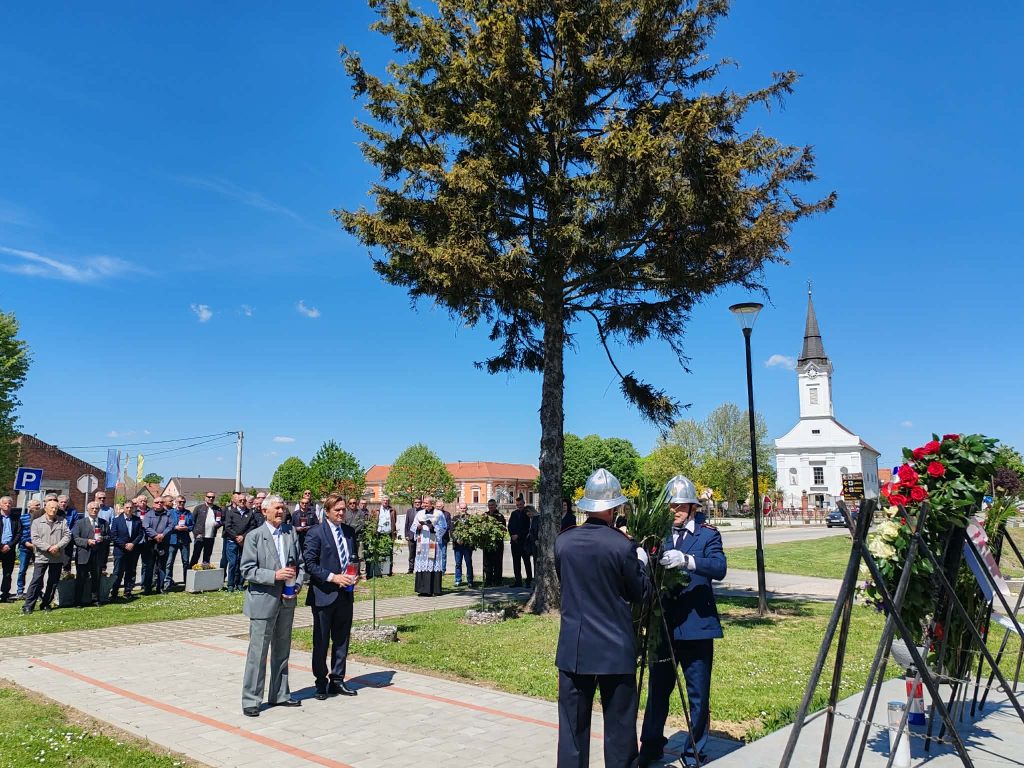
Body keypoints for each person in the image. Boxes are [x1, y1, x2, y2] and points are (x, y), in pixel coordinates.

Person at [555, 469, 650, 768]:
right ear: (611, 508)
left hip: (576, 647)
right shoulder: (622, 546)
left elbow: (566, 582)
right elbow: (640, 594)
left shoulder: (563, 542)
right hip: (614, 647)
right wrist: (643, 564)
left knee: (572, 731)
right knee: (620, 730)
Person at [639, 475, 727, 768]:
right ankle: (651, 746)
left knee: (698, 694)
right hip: (663, 625)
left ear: (692, 506)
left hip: (697, 625)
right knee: (658, 690)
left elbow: (719, 567)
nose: (674, 510)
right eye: (670, 505)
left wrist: (688, 561)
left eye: (679, 505)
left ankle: (694, 751)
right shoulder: (659, 534)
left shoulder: (707, 534)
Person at [240, 495, 305, 717]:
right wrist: (274, 575)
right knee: (258, 653)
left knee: (282, 650)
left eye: (283, 508)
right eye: (276, 508)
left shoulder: (290, 532)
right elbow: (247, 570)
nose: (281, 511)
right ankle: (251, 699)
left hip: (287, 601)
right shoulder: (255, 537)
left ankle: (280, 694)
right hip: (262, 601)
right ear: (264, 511)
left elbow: (300, 564)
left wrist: (296, 585)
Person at [303, 493, 359, 700]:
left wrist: (356, 575)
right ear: (327, 512)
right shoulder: (316, 533)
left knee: (342, 639)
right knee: (321, 640)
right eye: (337, 510)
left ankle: (338, 679)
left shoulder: (350, 532)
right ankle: (320, 682)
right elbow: (309, 564)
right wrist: (333, 577)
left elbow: (354, 558)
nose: (342, 513)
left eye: (343, 509)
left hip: (346, 595)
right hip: (324, 595)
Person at [22, 500, 72, 614]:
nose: (53, 510)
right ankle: (28, 605)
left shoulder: (62, 521)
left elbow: (67, 535)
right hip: (42, 556)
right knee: (36, 580)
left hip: (57, 556)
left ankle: (46, 603)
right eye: (51, 508)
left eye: (55, 508)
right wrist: (49, 548)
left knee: (53, 582)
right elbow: (35, 539)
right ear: (45, 508)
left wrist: (58, 546)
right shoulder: (36, 522)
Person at [72, 501, 109, 607]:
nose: (94, 510)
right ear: (87, 510)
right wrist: (87, 542)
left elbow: (109, 537)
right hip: (84, 555)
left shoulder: (104, 523)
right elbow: (75, 538)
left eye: (96, 508)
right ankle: (78, 601)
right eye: (92, 508)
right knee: (81, 579)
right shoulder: (80, 523)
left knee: (96, 579)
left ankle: (95, 599)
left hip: (98, 555)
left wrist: (103, 539)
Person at [411, 495, 447, 596]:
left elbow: (444, 527)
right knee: (423, 564)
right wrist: (418, 527)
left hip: (433, 542)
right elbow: (413, 526)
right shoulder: (420, 514)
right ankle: (423, 589)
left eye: (426, 503)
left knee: (433, 563)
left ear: (431, 504)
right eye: (424, 503)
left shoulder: (438, 514)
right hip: (422, 542)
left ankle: (434, 589)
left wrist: (433, 527)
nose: (424, 505)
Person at [225, 493, 261, 592]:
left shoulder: (250, 513)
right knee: (232, 563)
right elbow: (227, 527)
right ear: (236, 501)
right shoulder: (231, 512)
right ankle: (230, 585)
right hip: (232, 541)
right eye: (240, 500)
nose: (242, 502)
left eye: (244, 500)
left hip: (244, 542)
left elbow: (252, 526)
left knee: (242, 563)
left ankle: (240, 583)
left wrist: (243, 537)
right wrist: (236, 537)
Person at [110, 500, 144, 600]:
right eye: (127, 507)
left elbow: (140, 534)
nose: (129, 509)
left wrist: (133, 544)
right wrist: (125, 545)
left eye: (131, 507)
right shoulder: (116, 520)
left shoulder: (137, 520)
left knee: (131, 571)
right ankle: (114, 592)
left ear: (133, 508)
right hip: (120, 550)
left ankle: (128, 591)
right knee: (118, 572)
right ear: (123, 508)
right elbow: (113, 535)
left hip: (133, 550)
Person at [141, 496, 175, 594]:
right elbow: (146, 526)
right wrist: (155, 535)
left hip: (163, 543)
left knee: (162, 566)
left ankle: (160, 587)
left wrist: (163, 534)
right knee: (149, 566)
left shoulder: (168, 514)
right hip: (150, 543)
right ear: (153, 504)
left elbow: (171, 525)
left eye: (161, 502)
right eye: (157, 502)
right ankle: (147, 588)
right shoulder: (148, 514)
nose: (159, 503)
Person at [165, 496, 194, 589]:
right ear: (175, 502)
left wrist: (187, 528)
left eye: (183, 502)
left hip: (184, 540)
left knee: (186, 562)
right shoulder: (170, 513)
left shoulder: (188, 513)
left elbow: (192, 525)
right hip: (172, 540)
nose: (181, 503)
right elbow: (166, 524)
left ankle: (187, 582)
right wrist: (174, 527)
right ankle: (168, 582)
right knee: (169, 562)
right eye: (180, 502)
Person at [190, 492, 222, 567]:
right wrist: (195, 534)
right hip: (200, 536)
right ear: (205, 497)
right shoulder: (198, 508)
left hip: (210, 536)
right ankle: (190, 575)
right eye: (209, 497)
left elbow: (221, 521)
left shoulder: (217, 509)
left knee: (207, 558)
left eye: (213, 497)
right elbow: (192, 522)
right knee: (195, 556)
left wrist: (219, 524)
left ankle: (205, 575)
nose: (211, 498)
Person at [367, 495, 397, 578]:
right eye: (384, 500)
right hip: (378, 534)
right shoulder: (376, 510)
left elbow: (394, 521)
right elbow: (372, 521)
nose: (385, 502)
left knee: (389, 553)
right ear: (381, 501)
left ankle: (389, 571)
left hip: (389, 534)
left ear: (389, 502)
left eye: (387, 500)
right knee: (379, 552)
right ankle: (379, 572)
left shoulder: (392, 510)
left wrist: (393, 532)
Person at [16, 499, 40, 599]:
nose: (38, 507)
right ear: (30, 507)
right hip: (25, 547)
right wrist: (26, 542)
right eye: (36, 505)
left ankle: (37, 591)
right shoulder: (23, 518)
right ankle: (20, 591)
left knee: (38, 571)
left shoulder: (41, 518)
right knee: (22, 569)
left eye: (39, 505)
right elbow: (19, 532)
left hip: (38, 547)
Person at [0, 496, 22, 602]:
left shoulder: (15, 518)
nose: (7, 505)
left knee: (8, 573)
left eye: (9, 503)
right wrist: (1, 546)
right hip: (0, 546)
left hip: (9, 549)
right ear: (0, 505)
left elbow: (18, 534)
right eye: (5, 503)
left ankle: (5, 594)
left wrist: (9, 545)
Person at [507, 495, 532, 587]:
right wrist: (512, 535)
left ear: (524, 503)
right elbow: (510, 526)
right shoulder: (514, 513)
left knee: (526, 562)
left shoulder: (527, 514)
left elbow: (527, 528)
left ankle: (529, 580)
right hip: (514, 542)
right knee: (516, 562)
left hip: (524, 542)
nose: (519, 506)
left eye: (520, 504)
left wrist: (518, 535)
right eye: (517, 505)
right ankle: (518, 581)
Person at [482, 499, 506, 587]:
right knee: (487, 563)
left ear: (496, 506)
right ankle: (488, 580)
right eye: (489, 505)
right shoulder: (485, 515)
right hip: (487, 544)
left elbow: (503, 529)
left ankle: (497, 581)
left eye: (492, 505)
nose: (491, 507)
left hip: (497, 544)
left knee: (498, 563)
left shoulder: (500, 516)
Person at [451, 502, 475, 587]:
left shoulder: (470, 518)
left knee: (468, 563)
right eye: (461, 508)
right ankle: (458, 580)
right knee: (458, 563)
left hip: (467, 545)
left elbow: (473, 531)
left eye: (464, 508)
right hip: (458, 545)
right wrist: (456, 539)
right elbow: (452, 531)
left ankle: (470, 580)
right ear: (459, 509)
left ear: (466, 509)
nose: (463, 510)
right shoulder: (455, 518)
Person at [57, 495, 79, 576]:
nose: (63, 504)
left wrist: (69, 534)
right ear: (58, 502)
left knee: (67, 557)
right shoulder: (55, 511)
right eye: (61, 502)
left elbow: (76, 523)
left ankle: (66, 573)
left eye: (65, 502)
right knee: (57, 557)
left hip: (69, 538)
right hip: (57, 539)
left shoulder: (72, 511)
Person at [95, 491, 115, 572]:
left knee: (103, 558)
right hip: (93, 537)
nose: (102, 499)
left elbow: (112, 522)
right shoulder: (91, 507)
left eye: (104, 498)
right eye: (100, 498)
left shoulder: (110, 510)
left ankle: (103, 573)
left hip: (105, 537)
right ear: (95, 498)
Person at [403, 498, 423, 574]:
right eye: (416, 502)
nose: (417, 503)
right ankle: (410, 569)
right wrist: (406, 534)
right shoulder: (409, 511)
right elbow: (407, 524)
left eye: (419, 502)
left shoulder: (423, 511)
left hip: (420, 535)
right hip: (411, 535)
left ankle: (419, 568)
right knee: (411, 553)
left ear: (421, 503)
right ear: (414, 503)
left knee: (420, 553)